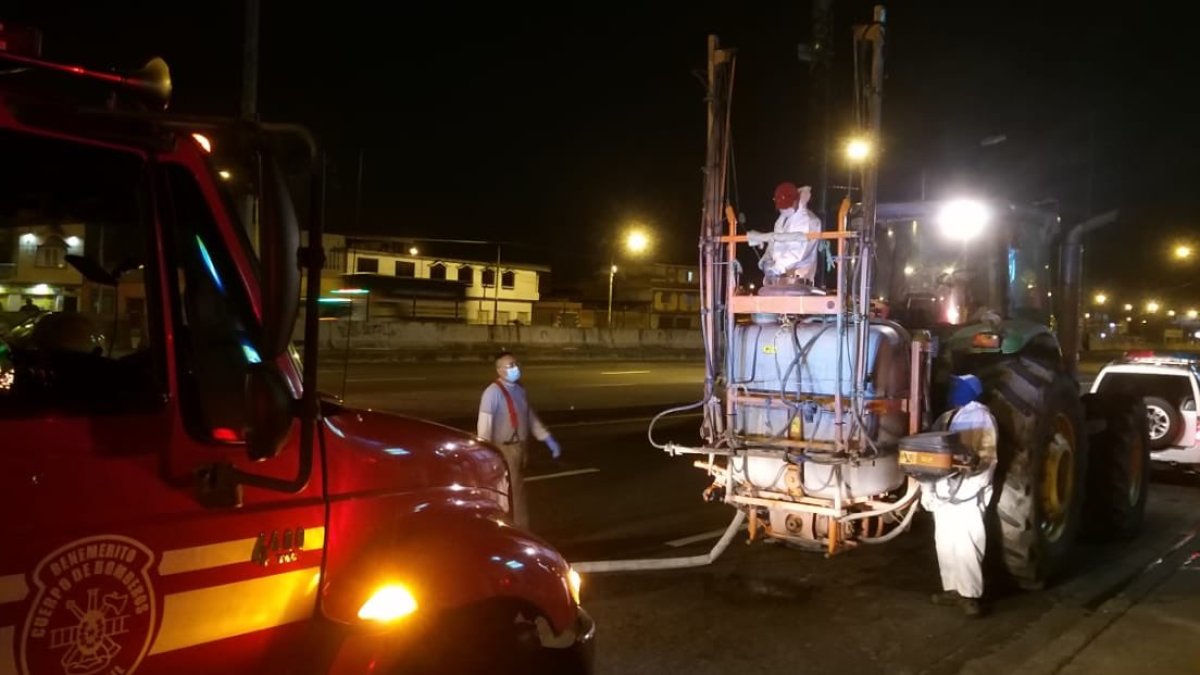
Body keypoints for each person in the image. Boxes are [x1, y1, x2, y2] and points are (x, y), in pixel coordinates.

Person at [921, 374, 998, 617]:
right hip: (944, 491)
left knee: (967, 544)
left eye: (958, 386)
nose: (953, 389)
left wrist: (966, 491)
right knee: (945, 542)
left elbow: (986, 459)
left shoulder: (981, 417)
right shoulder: (947, 417)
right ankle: (952, 589)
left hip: (966, 494)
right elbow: (930, 455)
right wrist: (930, 489)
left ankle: (970, 595)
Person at [477, 351, 562, 529]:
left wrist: (546, 438)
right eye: (510, 366)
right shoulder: (492, 393)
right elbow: (484, 426)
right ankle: (517, 530)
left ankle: (516, 528)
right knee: (513, 494)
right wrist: (485, 452)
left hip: (520, 448)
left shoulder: (520, 390)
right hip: (505, 449)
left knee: (517, 493)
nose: (515, 369)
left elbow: (529, 417)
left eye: (516, 364)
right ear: (499, 370)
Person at [759, 182, 821, 286]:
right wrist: (766, 260)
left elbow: (798, 253)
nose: (784, 209)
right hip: (779, 280)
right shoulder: (781, 221)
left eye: (786, 205)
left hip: (799, 282)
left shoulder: (809, 221)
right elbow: (773, 244)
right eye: (781, 206)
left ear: (796, 200)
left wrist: (776, 268)